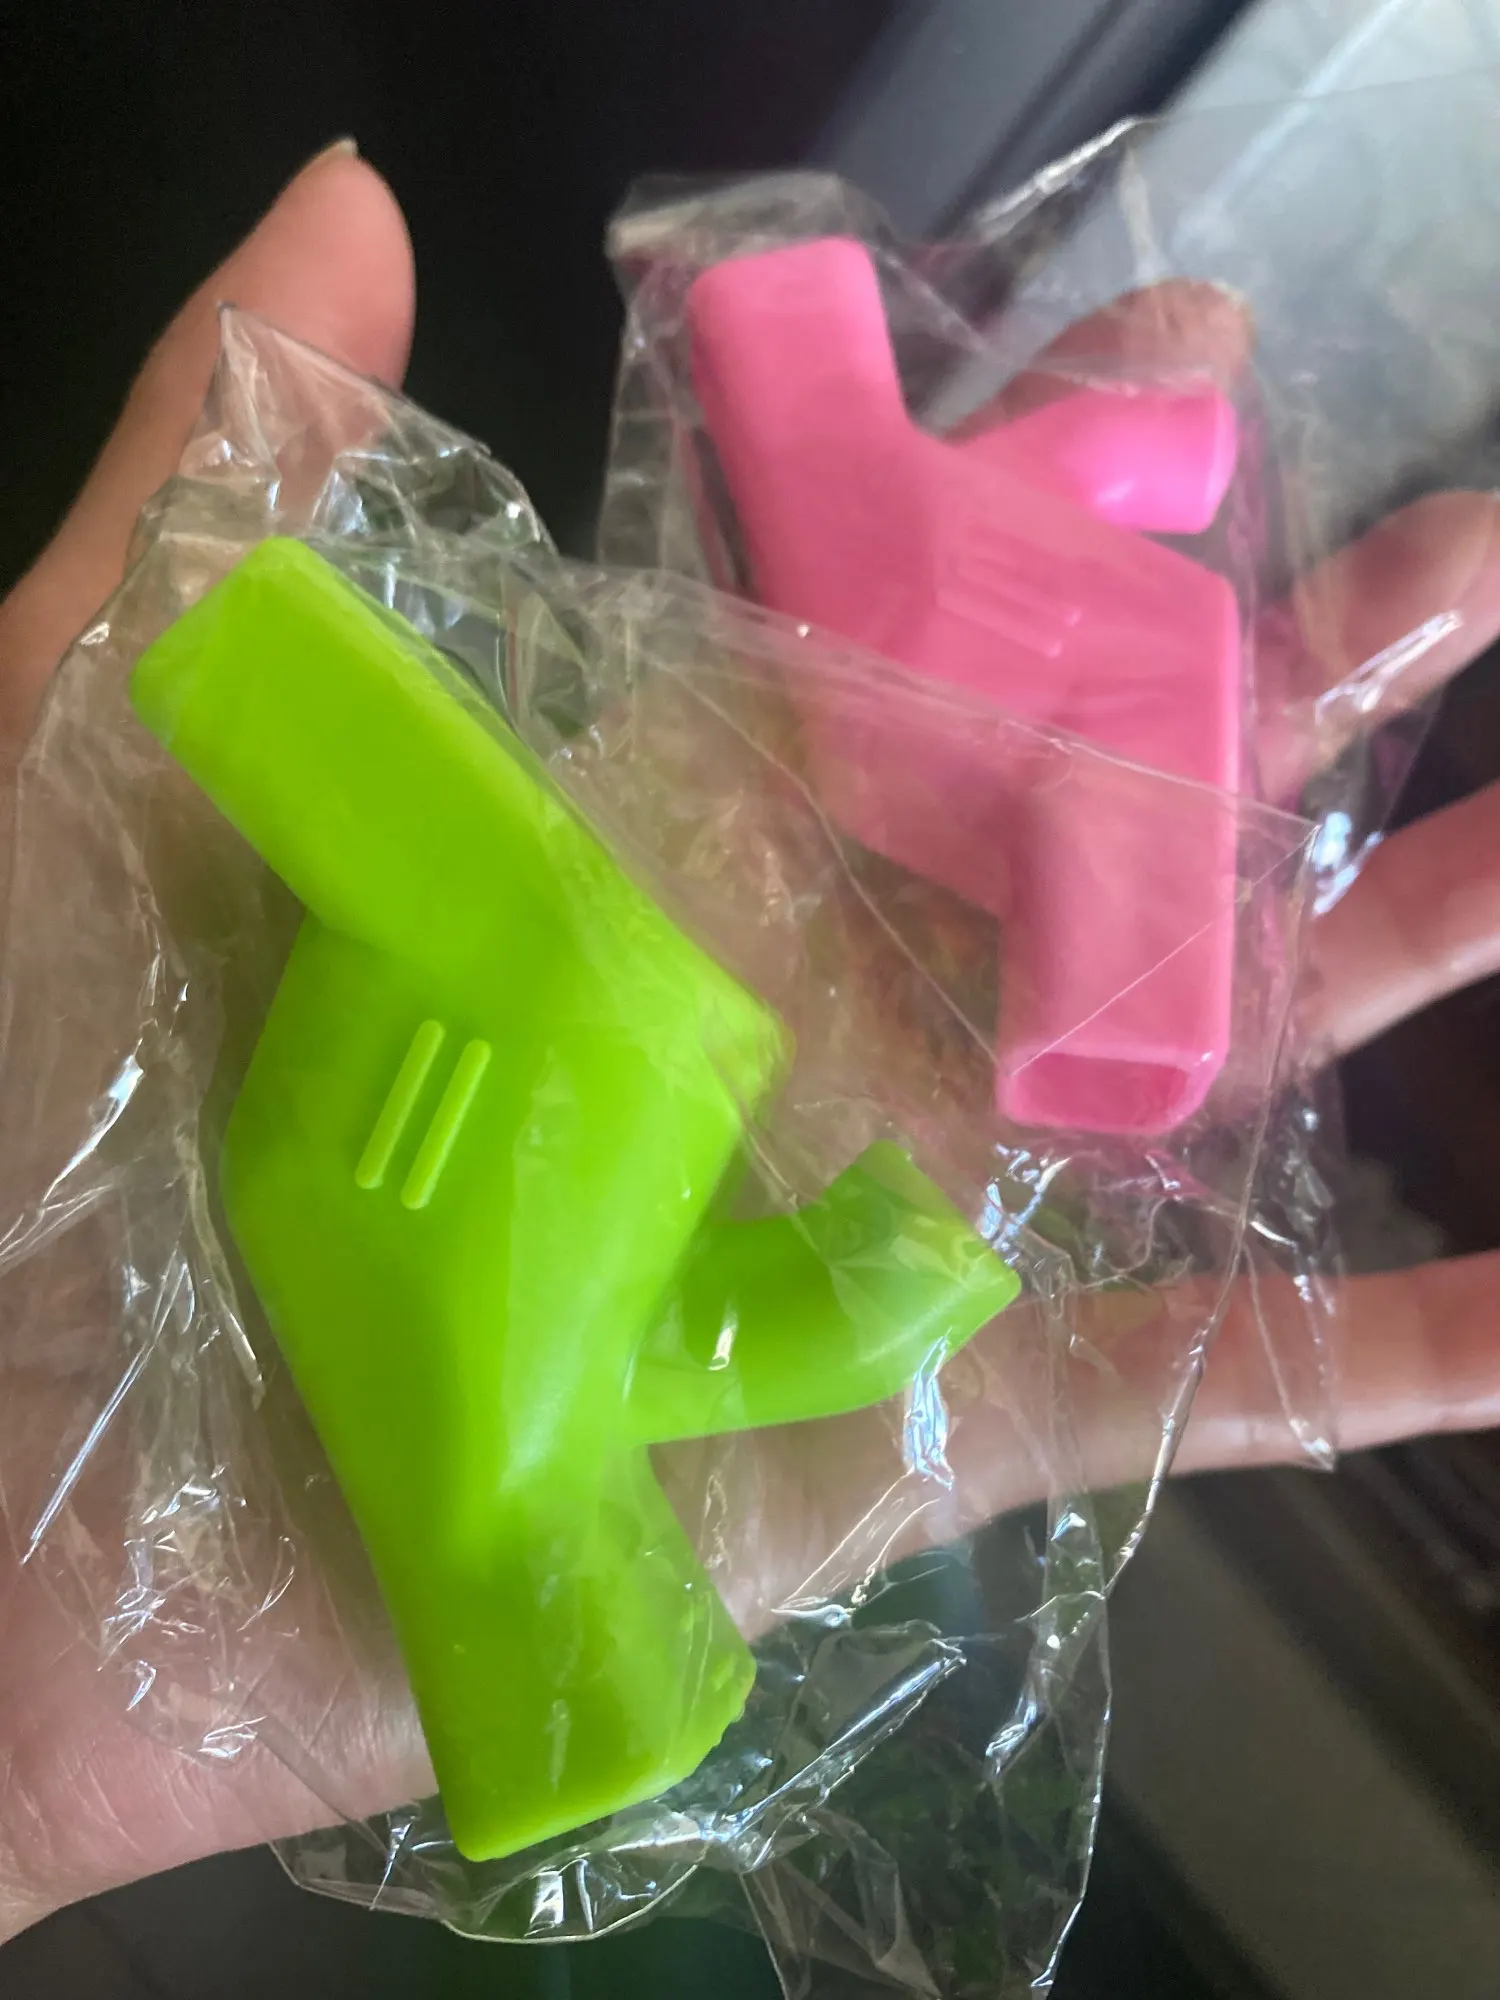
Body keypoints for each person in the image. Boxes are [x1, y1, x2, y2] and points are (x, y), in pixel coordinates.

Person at [1, 144, 1498, 1945]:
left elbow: (740, 1339)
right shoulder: (509, 1436)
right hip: (507, 1073)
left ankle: (254, 672)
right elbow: (732, 1341)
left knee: (450, 851)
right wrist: (889, 1265)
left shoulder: (495, 1431)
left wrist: (895, 1265)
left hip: (496, 1073)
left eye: (609, 1605)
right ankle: (252, 670)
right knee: (433, 832)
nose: (650, 1579)